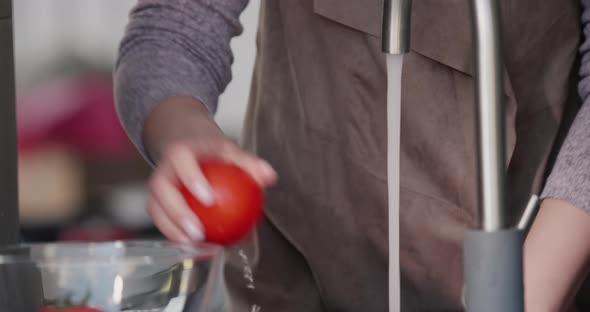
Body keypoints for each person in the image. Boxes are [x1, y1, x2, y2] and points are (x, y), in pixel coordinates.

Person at [114, 0, 590, 310]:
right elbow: (173, 25)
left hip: (524, 261)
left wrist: (529, 291)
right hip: (293, 274)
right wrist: (182, 130)